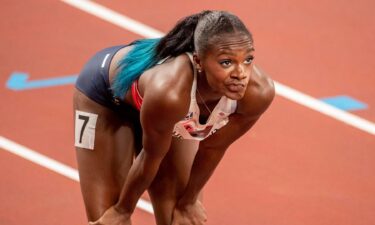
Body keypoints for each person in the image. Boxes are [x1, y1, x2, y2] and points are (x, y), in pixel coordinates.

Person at [73, 10, 275, 225]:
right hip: (105, 99)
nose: (240, 73)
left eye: (248, 59)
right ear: (199, 61)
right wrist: (122, 210)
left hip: (169, 115)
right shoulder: (170, 93)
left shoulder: (259, 93)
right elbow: (151, 156)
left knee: (180, 219)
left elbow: (213, 148)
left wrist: (188, 201)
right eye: (226, 63)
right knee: (108, 221)